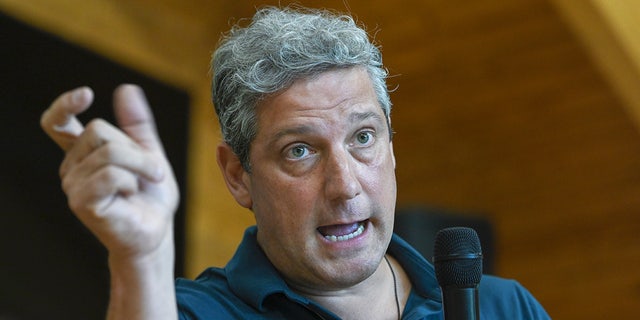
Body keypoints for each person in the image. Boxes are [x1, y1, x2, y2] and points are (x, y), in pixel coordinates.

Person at [40, 5, 550, 320]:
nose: (345, 185)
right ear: (238, 177)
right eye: (300, 150)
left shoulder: (504, 309)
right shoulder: (187, 314)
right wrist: (141, 260)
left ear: (393, 147)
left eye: (364, 137)